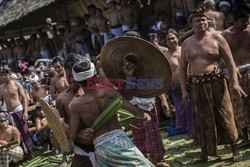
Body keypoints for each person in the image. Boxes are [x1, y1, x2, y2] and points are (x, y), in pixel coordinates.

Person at [179, 8, 246, 163]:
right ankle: (204, 153)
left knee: (225, 115)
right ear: (191, 24)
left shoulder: (218, 37)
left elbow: (230, 62)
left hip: (217, 82)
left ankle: (235, 150)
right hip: (196, 86)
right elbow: (182, 68)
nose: (202, 22)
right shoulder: (186, 44)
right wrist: (184, 90)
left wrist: (235, 82)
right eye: (198, 20)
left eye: (204, 19)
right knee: (201, 119)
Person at [66, 58, 154, 166]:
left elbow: (72, 135)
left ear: (77, 81)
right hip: (120, 141)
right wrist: (144, 116)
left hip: (101, 148)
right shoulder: (110, 93)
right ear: (95, 75)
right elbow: (135, 111)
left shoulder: (76, 105)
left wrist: (75, 130)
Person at [56, 53, 95, 167]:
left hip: (104, 145)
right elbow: (62, 131)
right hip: (82, 150)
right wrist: (79, 134)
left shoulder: (95, 91)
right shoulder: (62, 100)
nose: (72, 80)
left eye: (75, 75)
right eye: (69, 76)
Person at [221, 2, 250, 141]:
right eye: (243, 21)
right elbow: (221, 57)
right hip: (235, 73)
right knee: (240, 105)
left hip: (249, 68)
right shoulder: (225, 35)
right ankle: (245, 135)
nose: (246, 23)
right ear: (234, 21)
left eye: (248, 20)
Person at [164, 30, 195, 143]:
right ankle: (192, 136)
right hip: (176, 88)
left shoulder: (185, 50)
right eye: (168, 39)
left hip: (191, 85)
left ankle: (197, 136)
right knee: (183, 113)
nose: (172, 41)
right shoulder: (165, 56)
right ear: (165, 42)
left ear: (178, 38)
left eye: (173, 38)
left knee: (194, 111)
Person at [0, 67, 34, 156]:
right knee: (16, 132)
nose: (3, 77)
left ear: (9, 75)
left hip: (18, 109)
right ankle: (22, 152)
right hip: (9, 113)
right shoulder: (1, 87)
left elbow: (24, 99)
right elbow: (1, 101)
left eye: (5, 75)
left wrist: (26, 112)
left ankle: (30, 152)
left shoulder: (17, 84)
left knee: (24, 130)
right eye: (2, 75)